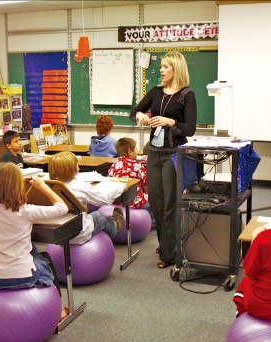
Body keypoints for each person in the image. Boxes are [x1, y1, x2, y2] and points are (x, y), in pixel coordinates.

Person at [0, 162, 68, 318]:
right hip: (23, 275)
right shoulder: (25, 210)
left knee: (31, 250)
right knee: (43, 258)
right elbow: (62, 208)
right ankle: (58, 307)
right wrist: (42, 186)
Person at [130, 51, 197, 269]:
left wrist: (170, 122)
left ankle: (168, 254)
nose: (161, 70)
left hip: (173, 152)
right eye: (161, 66)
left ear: (176, 68)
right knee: (156, 201)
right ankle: (166, 243)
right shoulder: (156, 92)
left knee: (170, 203)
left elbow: (190, 128)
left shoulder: (187, 95)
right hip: (155, 152)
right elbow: (135, 111)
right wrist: (139, 115)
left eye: (166, 66)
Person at [233, 181, 271, 321]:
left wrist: (256, 238)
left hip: (265, 309)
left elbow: (251, 273)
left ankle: (240, 316)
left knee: (245, 282)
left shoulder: (264, 238)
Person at [48, 151, 125, 245]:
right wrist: (121, 187)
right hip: (78, 233)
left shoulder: (49, 186)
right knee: (98, 216)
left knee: (89, 214)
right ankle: (114, 227)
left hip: (57, 232)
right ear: (73, 168)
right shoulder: (79, 186)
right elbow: (103, 199)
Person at [107, 137, 155, 226]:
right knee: (154, 198)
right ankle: (153, 222)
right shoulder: (137, 166)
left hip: (117, 200)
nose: (137, 152)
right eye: (135, 149)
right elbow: (146, 186)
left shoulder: (113, 167)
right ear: (130, 152)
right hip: (134, 200)